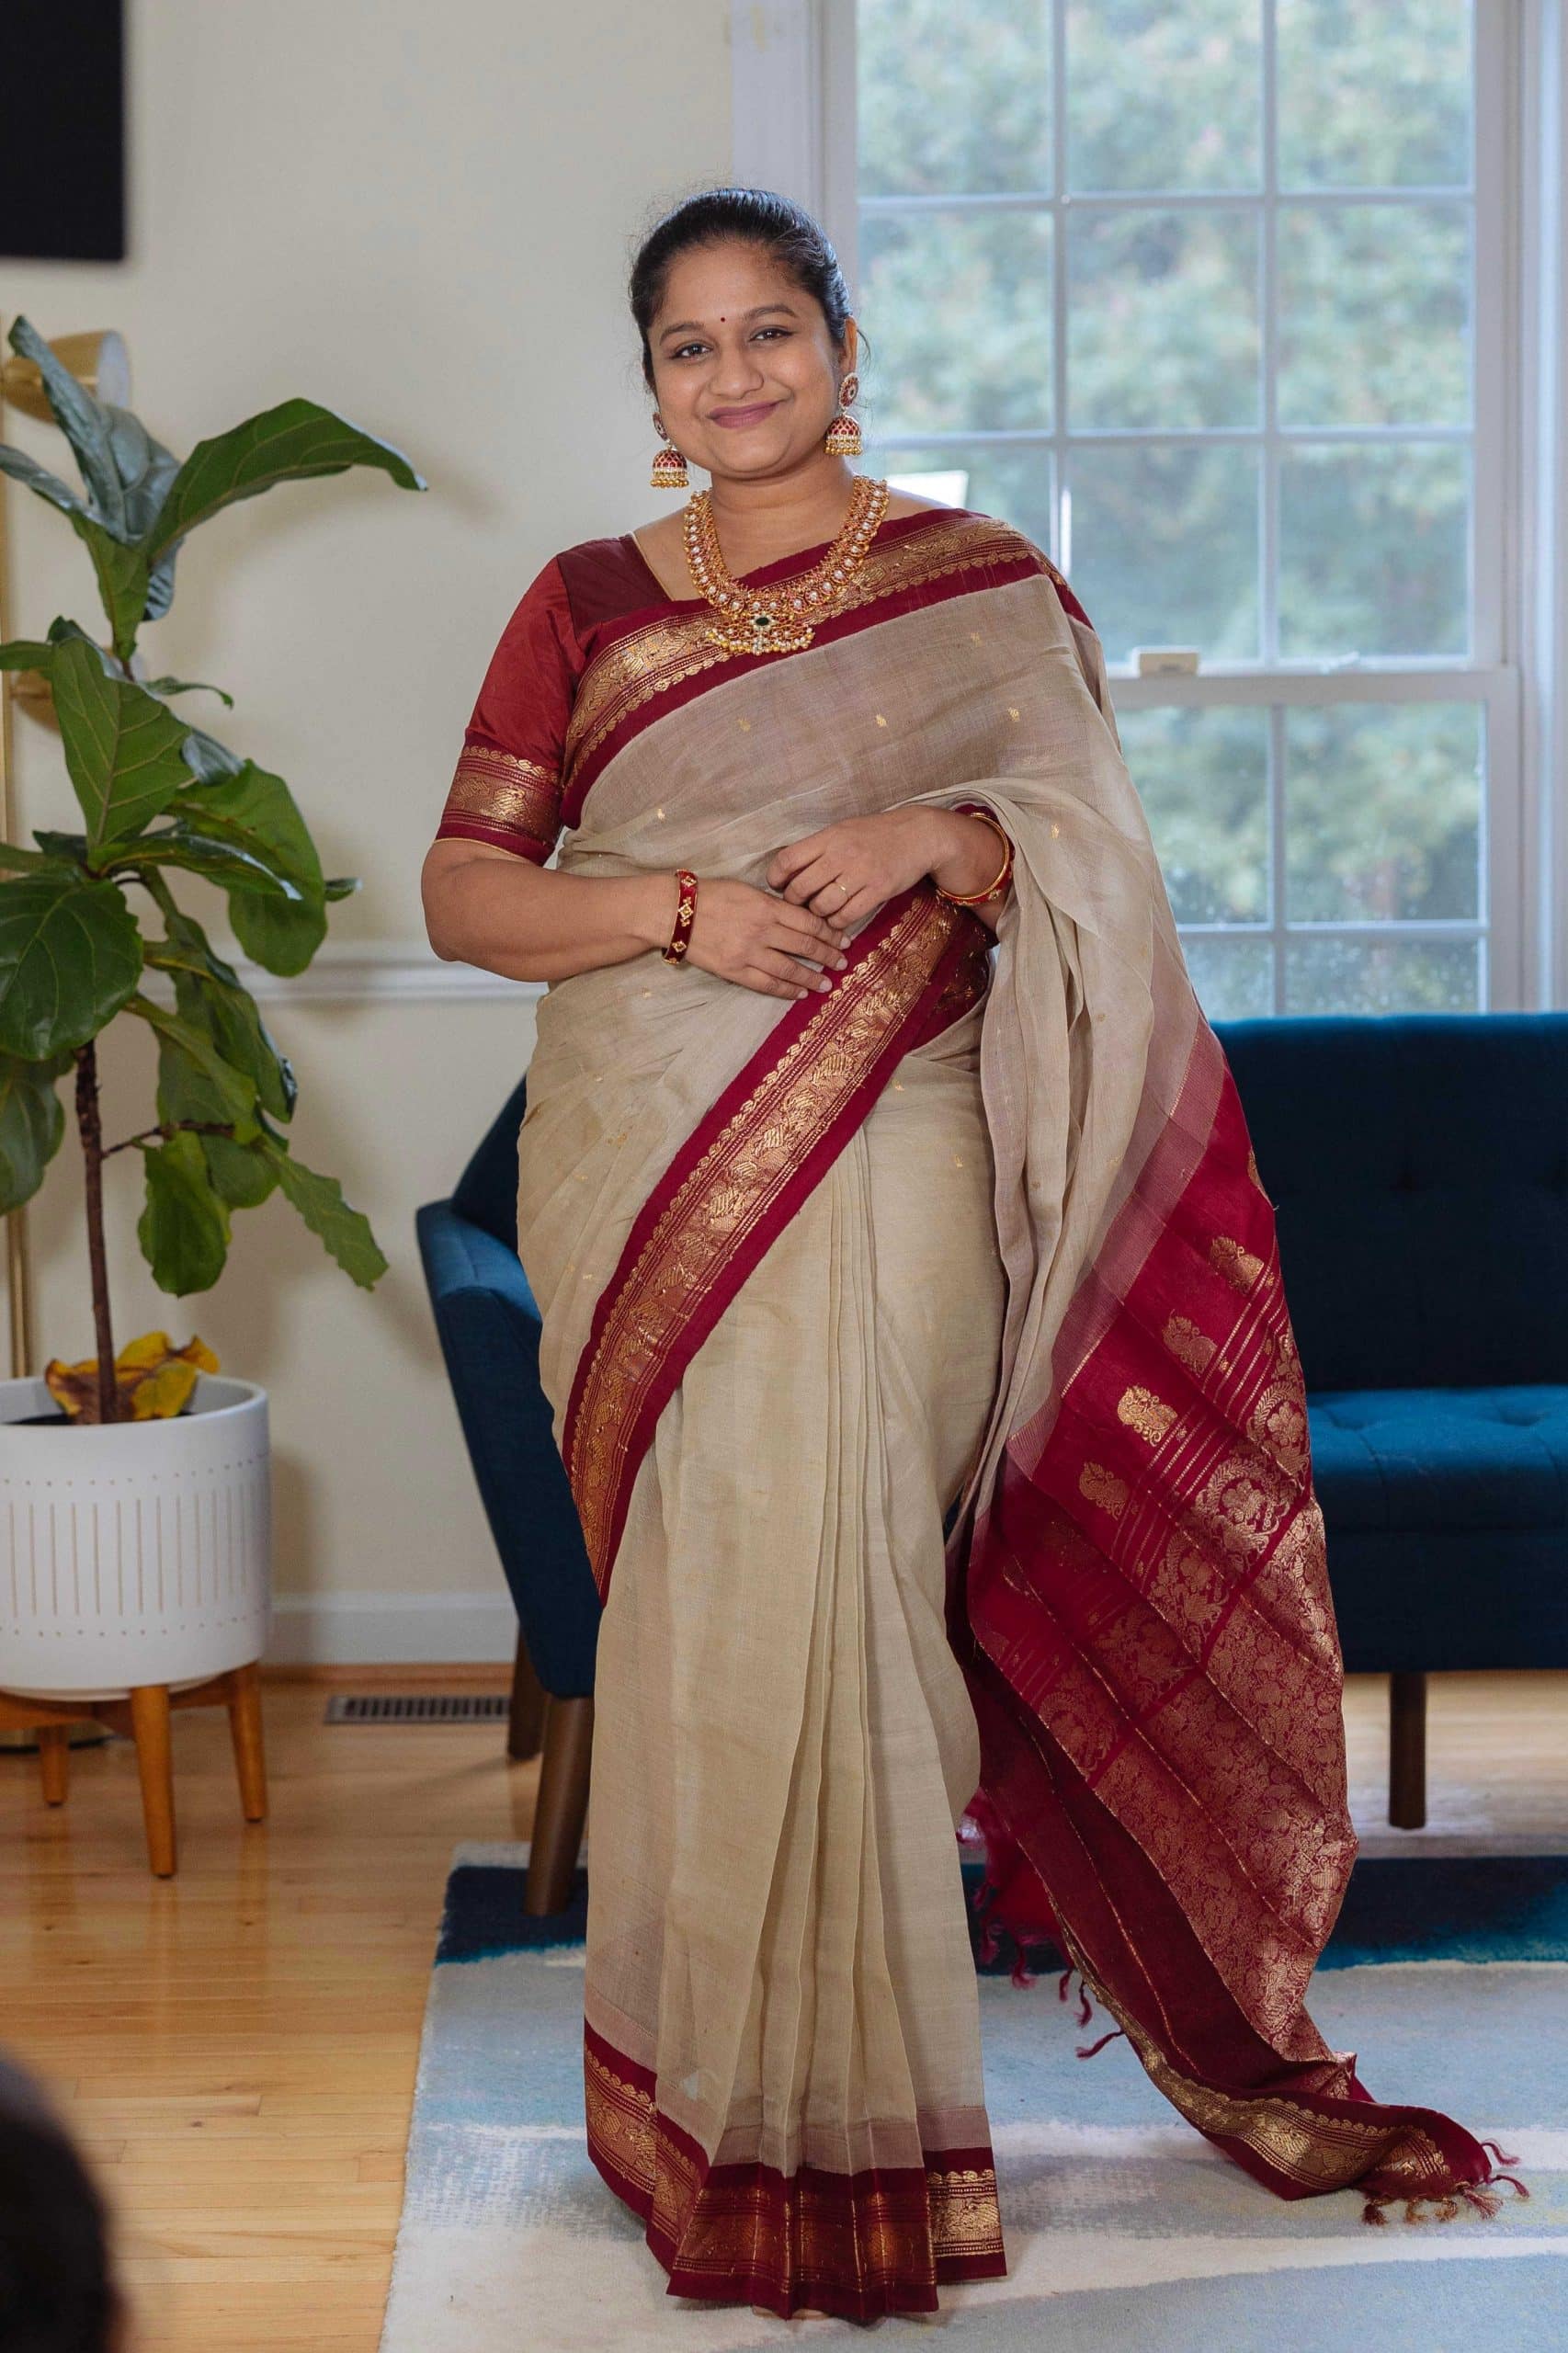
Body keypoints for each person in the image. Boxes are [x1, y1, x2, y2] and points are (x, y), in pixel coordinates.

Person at [420, 186, 1526, 2324]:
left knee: (850, 1578)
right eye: (688, 347)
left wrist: (945, 838)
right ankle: (715, 2107)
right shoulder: (577, 603)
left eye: (770, 331)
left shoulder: (982, 587)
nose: (734, 375)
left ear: (845, 346)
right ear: (648, 387)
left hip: (909, 1132)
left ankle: (860, 2121)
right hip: (642, 1152)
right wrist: (673, 911)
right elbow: (470, 894)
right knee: (717, 1600)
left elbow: (1096, 860)